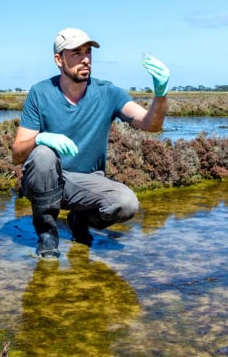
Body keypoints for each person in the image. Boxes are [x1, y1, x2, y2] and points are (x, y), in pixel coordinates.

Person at [12, 27, 169, 258]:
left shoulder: (108, 93)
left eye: (88, 52)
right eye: (76, 53)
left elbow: (151, 125)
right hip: (47, 179)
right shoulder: (40, 92)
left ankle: (80, 218)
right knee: (43, 154)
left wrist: (161, 94)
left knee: (126, 204)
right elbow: (17, 155)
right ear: (58, 59)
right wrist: (40, 139)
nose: (85, 59)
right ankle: (47, 235)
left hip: (87, 183)